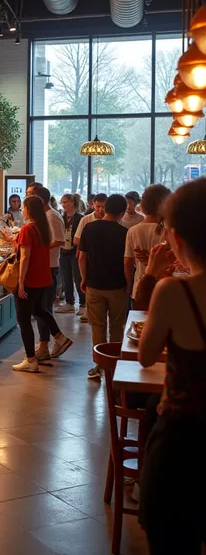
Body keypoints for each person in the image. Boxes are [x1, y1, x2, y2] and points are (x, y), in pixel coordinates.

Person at [138, 178, 206, 554]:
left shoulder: (173, 291)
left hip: (182, 448)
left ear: (175, 239)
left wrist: (151, 275)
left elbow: (146, 355)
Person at [78, 194, 128, 380]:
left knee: (97, 326)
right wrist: (128, 283)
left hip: (94, 285)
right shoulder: (124, 232)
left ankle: (99, 365)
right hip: (117, 287)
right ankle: (114, 365)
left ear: (105, 208)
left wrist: (84, 279)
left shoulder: (89, 228)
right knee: (116, 325)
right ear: (121, 213)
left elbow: (82, 257)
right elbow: (126, 263)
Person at [11, 195, 56, 373]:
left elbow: (26, 257)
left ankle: (30, 359)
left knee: (23, 319)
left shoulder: (27, 229)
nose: (22, 209)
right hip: (43, 278)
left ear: (29, 210)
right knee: (38, 310)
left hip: (30, 280)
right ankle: (59, 336)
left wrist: (21, 282)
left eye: (23, 206)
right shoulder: (43, 228)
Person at [32, 187, 73, 361]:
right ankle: (45, 343)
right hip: (43, 266)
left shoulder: (53, 217)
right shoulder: (43, 217)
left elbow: (60, 240)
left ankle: (49, 343)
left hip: (49, 266)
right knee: (40, 308)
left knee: (42, 308)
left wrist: (39, 249)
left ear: (40, 200)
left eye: (29, 196)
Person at [124, 184, 171, 308]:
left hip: (139, 287)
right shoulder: (169, 231)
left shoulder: (133, 231)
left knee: (140, 325)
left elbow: (128, 262)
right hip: (165, 287)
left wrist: (129, 285)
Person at [58, 193, 86, 317]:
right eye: (62, 202)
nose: (63, 205)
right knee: (66, 277)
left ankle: (83, 304)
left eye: (66, 202)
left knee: (78, 277)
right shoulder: (61, 217)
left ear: (72, 203)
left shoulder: (80, 218)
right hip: (63, 251)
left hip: (75, 251)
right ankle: (69, 303)